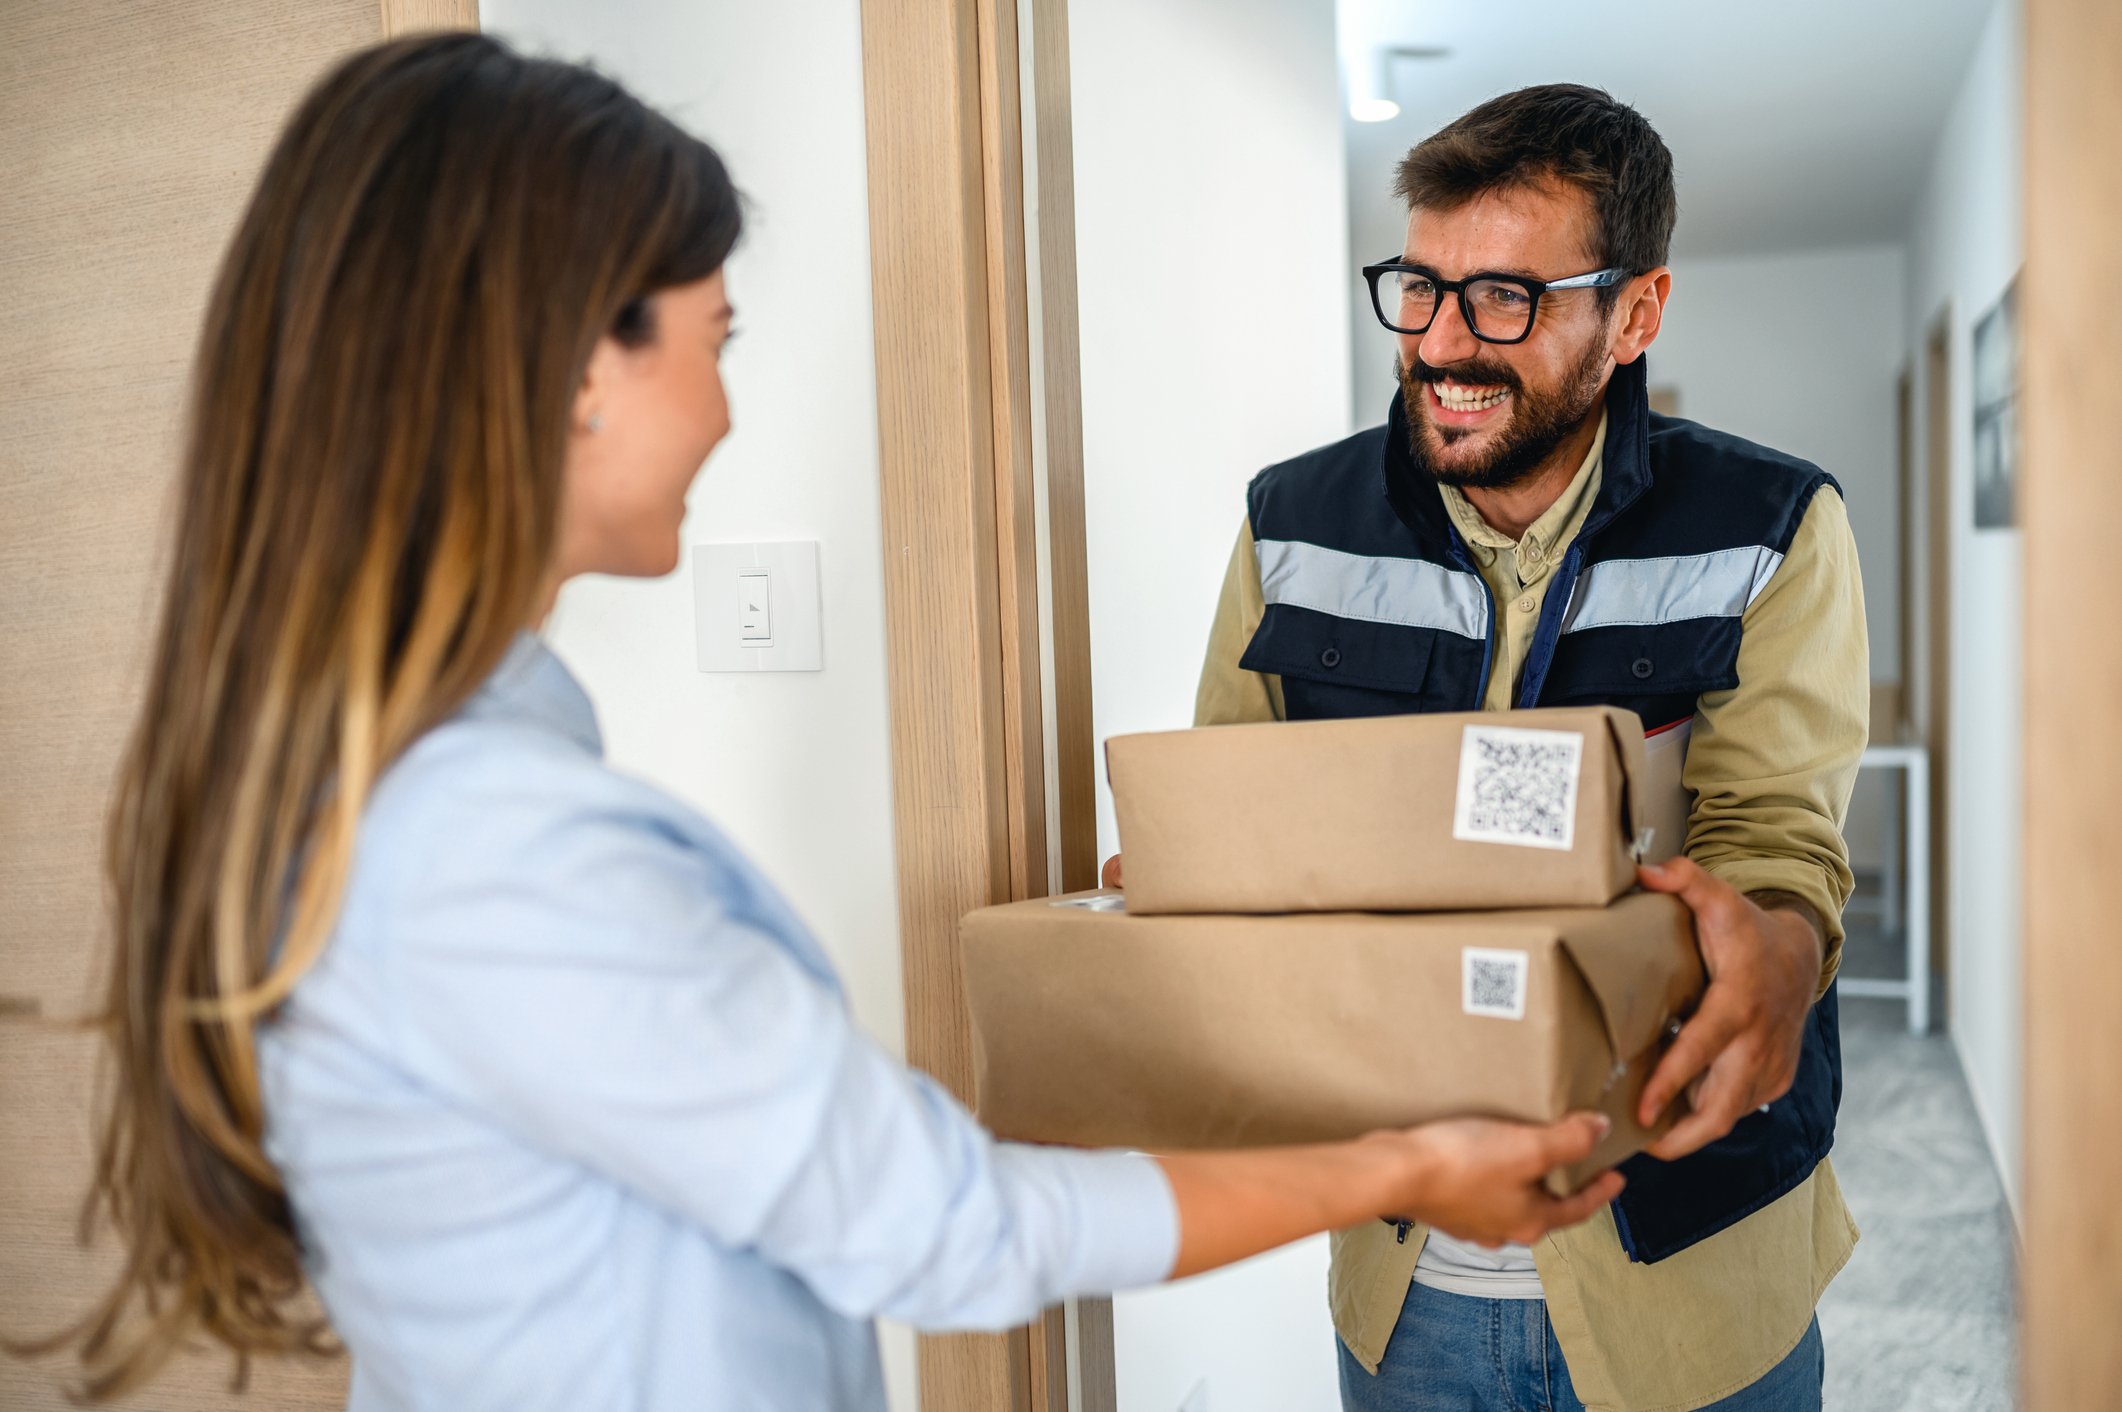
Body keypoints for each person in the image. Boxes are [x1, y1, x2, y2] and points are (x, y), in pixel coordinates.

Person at [38, 36, 1632, 1412]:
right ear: (576, 359)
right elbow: (951, 1231)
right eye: (713, 338)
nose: (727, 406)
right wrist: (1408, 1166)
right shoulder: (501, 846)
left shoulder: (390, 788)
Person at [1124, 84, 1867, 1411]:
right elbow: (1238, 823)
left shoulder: (1772, 524)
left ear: (1633, 314)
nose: (1443, 342)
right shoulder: (1291, 526)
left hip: (1687, 1275)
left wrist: (1782, 953)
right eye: (1420, 287)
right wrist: (1189, 892)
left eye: (1506, 299)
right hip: (1408, 1282)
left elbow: (1778, 845)